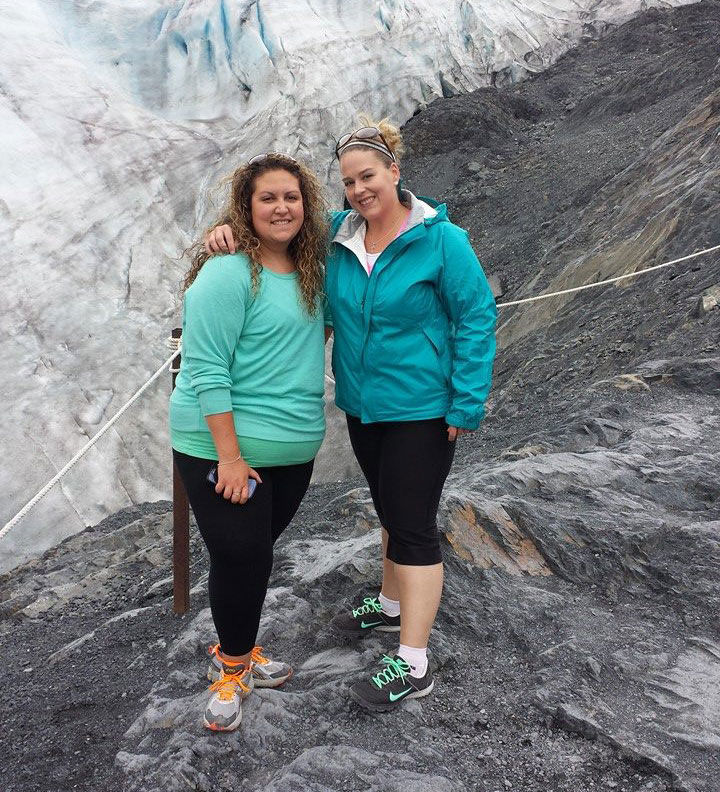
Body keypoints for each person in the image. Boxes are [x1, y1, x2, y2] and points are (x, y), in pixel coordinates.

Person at [205, 119, 497, 712]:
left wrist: (466, 401)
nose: (360, 190)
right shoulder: (340, 235)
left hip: (422, 407)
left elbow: (476, 316)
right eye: (348, 182)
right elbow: (278, 228)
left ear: (395, 171)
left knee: (413, 524)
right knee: (389, 505)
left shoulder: (442, 240)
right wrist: (227, 231)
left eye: (368, 176)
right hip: (364, 406)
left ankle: (414, 662)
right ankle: (389, 605)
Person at [171, 153, 331, 731]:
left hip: (292, 448)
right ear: (246, 207)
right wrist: (229, 458)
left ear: (307, 205)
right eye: (268, 198)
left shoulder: (314, 269)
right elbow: (206, 368)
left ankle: (240, 649)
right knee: (243, 554)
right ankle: (233, 666)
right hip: (223, 445)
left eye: (292, 196)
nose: (282, 207)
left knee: (253, 555)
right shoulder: (227, 272)